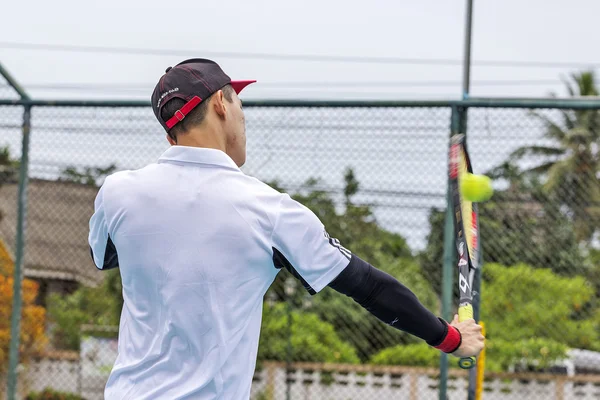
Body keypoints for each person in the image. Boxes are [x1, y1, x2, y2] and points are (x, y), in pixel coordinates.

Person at [88, 58, 484, 400]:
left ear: (168, 131)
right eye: (239, 101)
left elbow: (104, 255)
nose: (244, 116)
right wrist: (450, 337)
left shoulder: (116, 193)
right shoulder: (269, 210)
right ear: (222, 104)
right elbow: (369, 286)